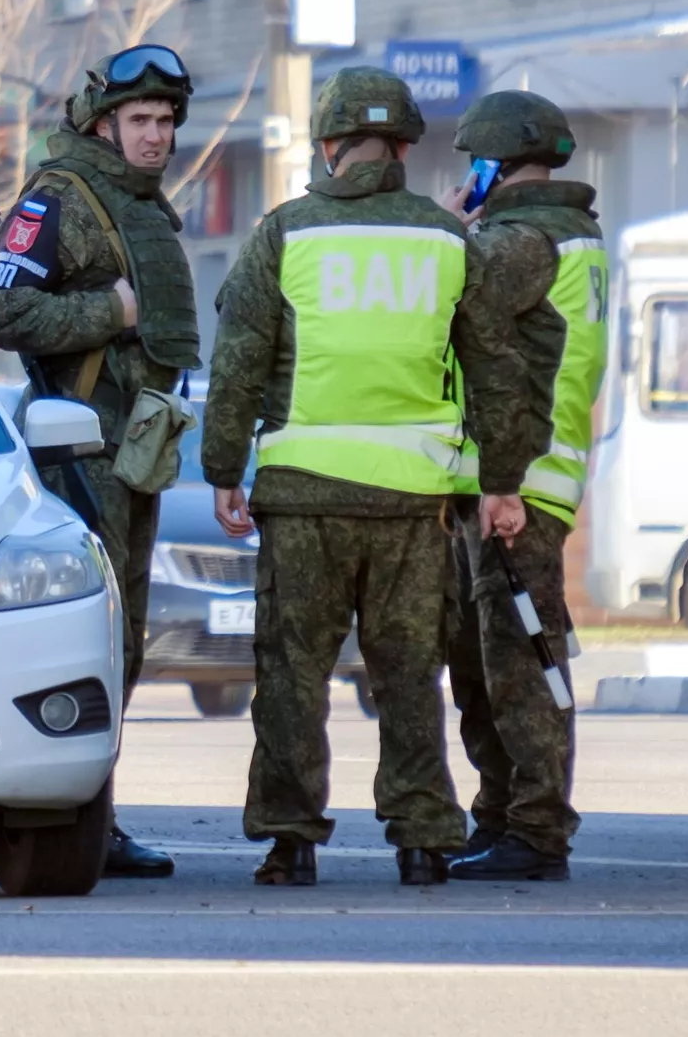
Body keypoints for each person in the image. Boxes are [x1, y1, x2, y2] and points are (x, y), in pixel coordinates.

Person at [201, 66, 531, 888]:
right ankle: (422, 838)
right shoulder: (449, 239)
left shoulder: (286, 232)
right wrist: (501, 481)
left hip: (303, 496)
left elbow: (239, 359)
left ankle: (291, 840)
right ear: (405, 147)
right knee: (409, 672)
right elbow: (496, 368)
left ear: (327, 145)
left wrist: (221, 468)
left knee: (292, 672)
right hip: (413, 505)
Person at [0, 45, 202, 878]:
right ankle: (73, 819)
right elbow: (4, 311)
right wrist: (106, 309)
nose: (157, 136)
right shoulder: (57, 199)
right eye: (141, 120)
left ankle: (94, 817)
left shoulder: (143, 203)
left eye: (166, 122)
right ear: (105, 123)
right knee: (92, 639)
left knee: (127, 642)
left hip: (135, 448)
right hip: (78, 453)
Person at [434, 90, 606, 882]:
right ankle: (502, 817)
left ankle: (535, 830)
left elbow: (444, 293)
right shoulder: (573, 234)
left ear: (490, 166)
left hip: (517, 483)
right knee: (498, 656)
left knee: (518, 663)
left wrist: (446, 224)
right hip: (535, 475)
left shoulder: (523, 239)